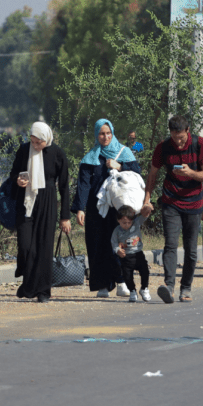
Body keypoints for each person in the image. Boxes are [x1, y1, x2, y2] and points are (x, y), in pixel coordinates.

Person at [141, 115, 203, 304]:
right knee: (170, 244)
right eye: (174, 137)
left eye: (181, 138)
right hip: (171, 200)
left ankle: (186, 287)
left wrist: (190, 173)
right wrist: (147, 199)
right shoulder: (163, 147)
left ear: (187, 131)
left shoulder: (200, 144)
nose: (178, 142)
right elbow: (153, 174)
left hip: (194, 202)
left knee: (190, 249)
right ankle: (169, 286)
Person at [72, 118, 140, 298]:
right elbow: (84, 185)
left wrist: (119, 166)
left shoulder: (124, 153)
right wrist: (80, 208)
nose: (105, 137)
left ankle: (122, 282)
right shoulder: (90, 158)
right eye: (101, 133)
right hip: (96, 210)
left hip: (118, 209)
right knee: (97, 244)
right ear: (96, 134)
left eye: (108, 133)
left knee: (119, 243)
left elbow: (137, 174)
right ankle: (102, 285)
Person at [11, 122, 71, 303]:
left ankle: (43, 291)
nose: (35, 146)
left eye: (39, 143)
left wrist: (65, 217)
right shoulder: (23, 150)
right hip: (27, 201)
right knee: (25, 244)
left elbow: (64, 186)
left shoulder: (57, 153)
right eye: (33, 142)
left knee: (44, 246)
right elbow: (13, 173)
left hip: (48, 201)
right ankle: (28, 283)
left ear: (47, 138)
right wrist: (18, 181)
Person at [111, 205, 150, 302]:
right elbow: (114, 243)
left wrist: (147, 208)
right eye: (124, 222)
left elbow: (144, 216)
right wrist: (117, 250)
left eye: (129, 222)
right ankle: (132, 291)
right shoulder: (116, 231)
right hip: (126, 257)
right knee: (127, 276)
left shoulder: (136, 223)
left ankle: (144, 289)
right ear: (118, 220)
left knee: (145, 271)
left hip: (138, 254)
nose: (127, 224)